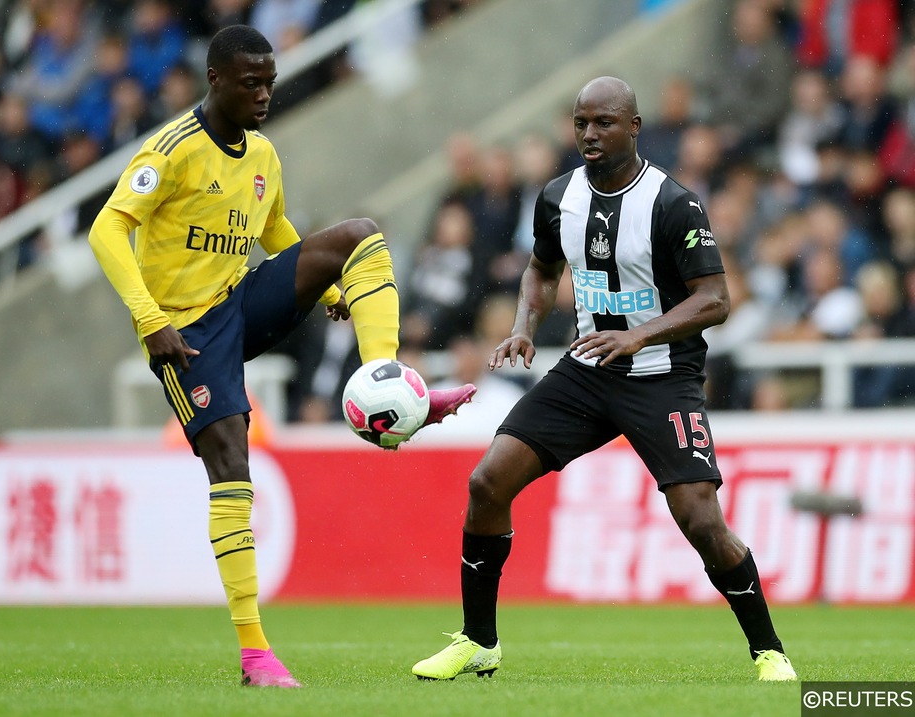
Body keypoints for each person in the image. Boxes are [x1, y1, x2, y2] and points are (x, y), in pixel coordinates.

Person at [87, 25, 475, 688]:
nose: (265, 94)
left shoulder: (263, 154)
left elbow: (276, 235)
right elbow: (106, 228)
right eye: (251, 83)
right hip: (186, 332)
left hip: (239, 302)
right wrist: (150, 321)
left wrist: (324, 286)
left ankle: (387, 381)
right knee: (233, 461)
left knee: (359, 237)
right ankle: (254, 651)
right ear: (215, 80)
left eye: (269, 81)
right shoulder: (173, 150)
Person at [411, 76, 797, 683]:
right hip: (589, 370)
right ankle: (478, 642)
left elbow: (716, 300)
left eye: (604, 123)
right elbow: (540, 269)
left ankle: (769, 651)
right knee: (487, 483)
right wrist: (523, 325)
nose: (590, 135)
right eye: (581, 123)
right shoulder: (558, 197)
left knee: (701, 521)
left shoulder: (673, 203)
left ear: (635, 127)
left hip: (661, 374)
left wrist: (638, 335)